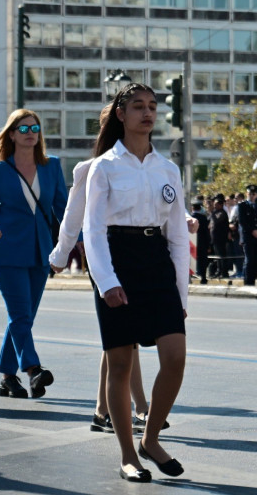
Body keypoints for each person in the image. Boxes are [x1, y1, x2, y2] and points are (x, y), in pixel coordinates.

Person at [84, 83, 189, 482]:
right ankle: (129, 454)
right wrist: (106, 281)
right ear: (121, 115)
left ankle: (151, 439)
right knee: (121, 364)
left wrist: (182, 294)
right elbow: (93, 231)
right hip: (117, 260)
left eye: (152, 107)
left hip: (156, 263)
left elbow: (177, 234)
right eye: (138, 107)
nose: (147, 113)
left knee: (175, 357)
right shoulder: (104, 166)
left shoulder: (168, 169)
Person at [0, 109, 67, 399]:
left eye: (34, 128)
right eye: (23, 129)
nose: (30, 133)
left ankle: (8, 376)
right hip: (7, 252)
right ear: (11, 135)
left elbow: (63, 209)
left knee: (24, 317)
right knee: (20, 314)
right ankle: (33, 370)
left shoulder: (51, 166)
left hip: (41, 253)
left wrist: (76, 242)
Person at [239, 185, 257, 285]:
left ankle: (253, 280)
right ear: (247, 194)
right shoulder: (242, 205)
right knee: (249, 259)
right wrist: (252, 231)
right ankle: (248, 281)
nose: (251, 196)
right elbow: (242, 221)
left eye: (253, 194)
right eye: (250, 194)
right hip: (248, 236)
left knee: (255, 260)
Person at [209, 194, 230, 278]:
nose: (215, 206)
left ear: (221, 205)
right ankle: (219, 270)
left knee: (222, 255)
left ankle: (224, 272)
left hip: (221, 238)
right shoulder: (216, 212)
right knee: (217, 256)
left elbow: (216, 220)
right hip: (215, 238)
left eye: (216, 204)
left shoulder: (222, 213)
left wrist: (211, 212)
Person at [191, 202, 210, 284]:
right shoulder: (203, 218)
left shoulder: (190, 218)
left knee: (190, 260)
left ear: (192, 208)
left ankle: (190, 277)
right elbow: (206, 231)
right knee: (203, 260)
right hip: (202, 242)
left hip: (192, 241)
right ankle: (203, 277)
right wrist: (208, 244)